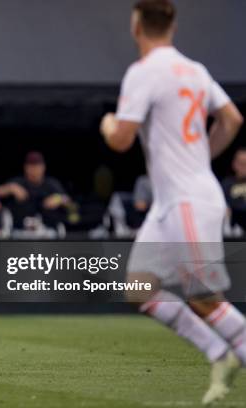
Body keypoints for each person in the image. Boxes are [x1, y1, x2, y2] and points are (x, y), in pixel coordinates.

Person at [100, 1, 244, 404]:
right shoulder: (195, 70)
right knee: (140, 288)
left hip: (186, 201)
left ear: (136, 25)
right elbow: (231, 119)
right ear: (173, 25)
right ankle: (219, 353)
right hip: (176, 200)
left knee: (204, 297)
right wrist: (201, 160)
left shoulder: (144, 73)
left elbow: (121, 139)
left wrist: (108, 123)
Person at [0, 151, 76, 228]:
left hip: (47, 230)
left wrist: (58, 198)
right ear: (25, 167)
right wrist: (11, 188)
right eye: (31, 166)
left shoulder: (51, 183)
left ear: (43, 167)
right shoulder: (18, 182)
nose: (34, 170)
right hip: (19, 231)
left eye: (37, 166)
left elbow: (68, 201)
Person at [222, 147, 246, 228]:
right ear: (234, 163)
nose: (244, 167)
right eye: (241, 163)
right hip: (232, 225)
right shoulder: (227, 183)